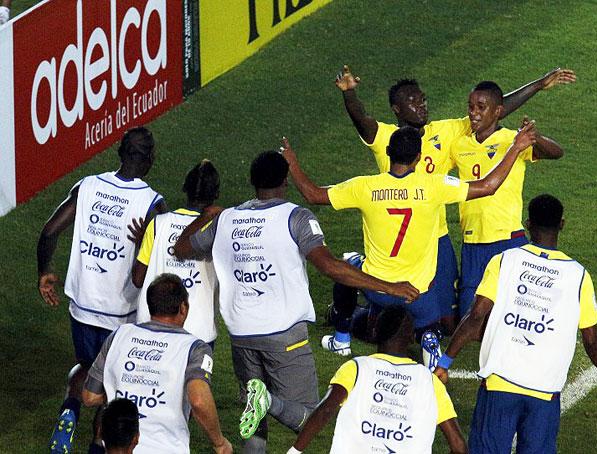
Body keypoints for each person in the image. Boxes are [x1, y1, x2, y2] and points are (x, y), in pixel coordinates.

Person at [173, 150, 419, 453]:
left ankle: (261, 400)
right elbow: (329, 266)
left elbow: (182, 248)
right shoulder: (296, 217)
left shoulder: (227, 219)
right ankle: (269, 399)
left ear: (252, 182)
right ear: (285, 180)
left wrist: (208, 215)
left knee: (254, 415)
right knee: (309, 419)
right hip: (283, 334)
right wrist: (389, 287)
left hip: (240, 334)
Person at [335, 64, 576, 333]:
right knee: (394, 311)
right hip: (395, 240)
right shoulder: (385, 137)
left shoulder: (447, 132)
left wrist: (539, 85)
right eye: (412, 102)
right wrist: (349, 94)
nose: (421, 105)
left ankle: (388, 316)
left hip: (437, 238)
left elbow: (491, 111)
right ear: (397, 109)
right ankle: (361, 317)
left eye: (423, 99)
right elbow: (362, 119)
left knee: (448, 324)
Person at [282, 121, 537, 371]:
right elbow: (488, 187)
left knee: (348, 264)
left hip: (377, 289)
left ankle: (341, 339)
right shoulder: (434, 185)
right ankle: (429, 337)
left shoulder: (365, 187)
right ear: (418, 158)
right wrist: (515, 148)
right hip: (418, 294)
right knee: (430, 315)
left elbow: (313, 194)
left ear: (389, 152)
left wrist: (292, 163)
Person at [434, 194, 597, 454]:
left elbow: (477, 316)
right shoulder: (578, 275)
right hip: (544, 392)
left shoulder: (504, 261)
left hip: (499, 384)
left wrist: (445, 362)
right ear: (562, 224)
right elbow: (592, 340)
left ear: (527, 224)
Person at [37, 126, 166, 454]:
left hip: (81, 305)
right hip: (120, 312)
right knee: (113, 387)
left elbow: (50, 231)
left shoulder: (87, 186)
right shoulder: (152, 204)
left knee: (84, 365)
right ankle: (98, 447)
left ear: (120, 153)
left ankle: (69, 411)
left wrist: (45, 272)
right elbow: (161, 262)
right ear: (150, 159)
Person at [82, 274, 233, 454]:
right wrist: (220, 443)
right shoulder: (194, 349)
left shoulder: (119, 335)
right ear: (183, 308)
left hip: (120, 447)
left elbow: (89, 396)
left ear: (150, 305)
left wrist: (128, 391)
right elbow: (199, 401)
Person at [451, 81, 564, 318]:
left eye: (481, 107)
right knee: (468, 315)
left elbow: (556, 152)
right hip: (472, 240)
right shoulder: (459, 145)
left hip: (507, 239)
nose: (473, 113)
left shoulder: (513, 140)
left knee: (513, 308)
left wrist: (535, 137)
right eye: (471, 107)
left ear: (497, 111)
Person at [288, 305, 468, 454]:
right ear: (413, 338)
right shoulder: (430, 383)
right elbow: (459, 447)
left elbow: (326, 409)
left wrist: (295, 451)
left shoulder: (356, 368)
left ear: (375, 332)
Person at [132, 160, 220, 347]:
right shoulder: (218, 229)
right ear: (216, 194)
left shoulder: (157, 224)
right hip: (198, 331)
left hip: (151, 324)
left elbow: (138, 279)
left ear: (184, 188)